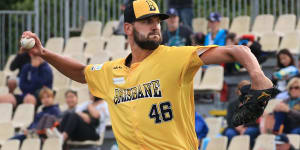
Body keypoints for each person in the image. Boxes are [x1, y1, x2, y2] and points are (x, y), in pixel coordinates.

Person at [21, 0, 273, 149]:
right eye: (147, 21)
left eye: (157, 20)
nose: (155, 25)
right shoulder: (112, 70)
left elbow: (237, 51)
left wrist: (258, 77)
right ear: (128, 28)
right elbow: (81, 73)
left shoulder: (176, 57)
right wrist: (44, 53)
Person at [223, 80, 260, 148]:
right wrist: (238, 128)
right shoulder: (232, 104)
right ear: (238, 91)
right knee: (229, 133)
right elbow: (229, 120)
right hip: (235, 128)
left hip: (250, 127)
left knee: (249, 132)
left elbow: (256, 120)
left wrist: (244, 127)